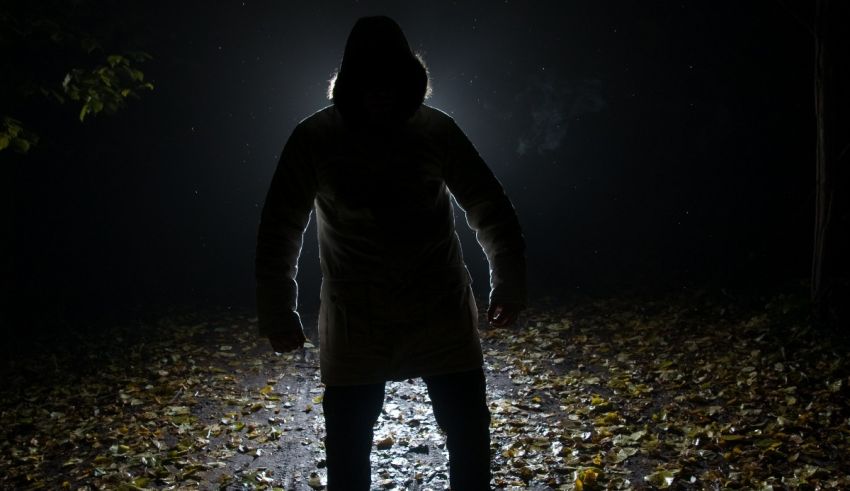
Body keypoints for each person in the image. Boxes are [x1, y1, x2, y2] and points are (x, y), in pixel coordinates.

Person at [255, 16, 527, 490]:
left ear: (409, 80)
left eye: (391, 80)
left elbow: (490, 208)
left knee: (467, 432)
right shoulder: (316, 138)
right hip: (357, 319)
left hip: (437, 309)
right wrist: (277, 311)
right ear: (351, 82)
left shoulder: (434, 131)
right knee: (348, 445)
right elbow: (280, 229)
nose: (381, 92)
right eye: (370, 80)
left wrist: (508, 282)